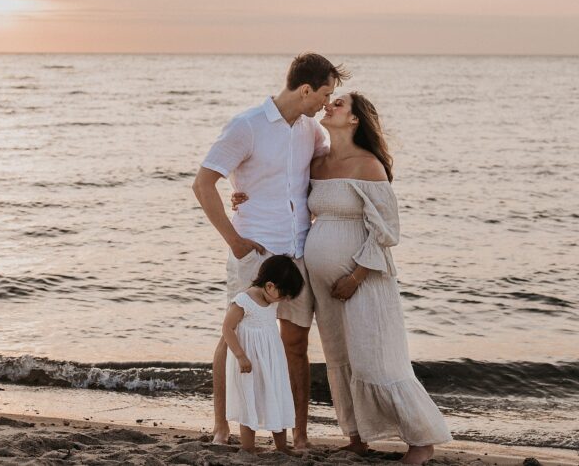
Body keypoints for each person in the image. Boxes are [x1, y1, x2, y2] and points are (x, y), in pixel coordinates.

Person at [233, 92, 451, 465]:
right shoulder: (318, 162)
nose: (328, 107)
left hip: (364, 279)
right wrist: (242, 199)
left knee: (376, 360)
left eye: (338, 104)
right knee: (339, 358)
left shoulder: (368, 166)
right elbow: (284, 196)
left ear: (354, 120)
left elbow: (386, 232)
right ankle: (357, 437)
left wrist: (357, 275)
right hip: (324, 284)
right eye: (329, 101)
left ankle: (421, 441)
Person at [192, 52, 350, 449]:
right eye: (325, 93)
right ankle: (223, 427)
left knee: (295, 343)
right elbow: (203, 183)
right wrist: (235, 240)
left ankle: (298, 433)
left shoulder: (310, 131)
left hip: (297, 252)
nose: (326, 103)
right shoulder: (247, 126)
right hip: (256, 254)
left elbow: (322, 175)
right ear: (305, 89)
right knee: (235, 339)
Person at [222, 256, 306, 454]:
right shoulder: (244, 301)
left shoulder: (271, 301)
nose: (284, 299)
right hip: (249, 362)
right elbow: (227, 328)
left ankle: (282, 446)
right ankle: (248, 448)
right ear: (269, 285)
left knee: (277, 396)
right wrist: (240, 356)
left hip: (271, 361)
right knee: (249, 399)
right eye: (283, 295)